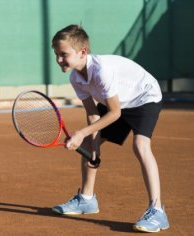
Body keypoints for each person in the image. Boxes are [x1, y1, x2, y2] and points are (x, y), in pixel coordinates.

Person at [50, 24, 169, 233]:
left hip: (143, 97)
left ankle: (158, 211)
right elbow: (93, 113)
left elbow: (115, 113)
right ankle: (87, 200)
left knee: (140, 145)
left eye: (63, 54)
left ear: (82, 52)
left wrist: (81, 133)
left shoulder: (101, 71)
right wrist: (91, 141)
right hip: (117, 100)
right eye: (56, 54)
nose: (58, 59)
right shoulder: (76, 77)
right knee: (89, 142)